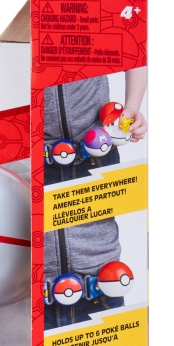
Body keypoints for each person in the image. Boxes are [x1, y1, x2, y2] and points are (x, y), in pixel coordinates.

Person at [43, 69, 147, 330]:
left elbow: (133, 49)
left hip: (96, 148)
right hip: (37, 151)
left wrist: (132, 107)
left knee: (95, 231)